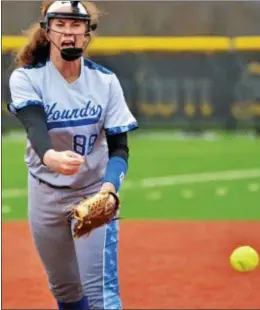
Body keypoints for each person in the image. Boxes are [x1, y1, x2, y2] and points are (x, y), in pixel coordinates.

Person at [8, 1, 138, 309]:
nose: (68, 33)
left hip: (92, 192)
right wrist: (50, 156)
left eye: (76, 25)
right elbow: (34, 125)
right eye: (61, 25)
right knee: (65, 291)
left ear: (87, 31)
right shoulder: (27, 78)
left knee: (100, 295)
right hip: (45, 194)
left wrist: (109, 188)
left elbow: (120, 147)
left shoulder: (105, 82)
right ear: (47, 29)